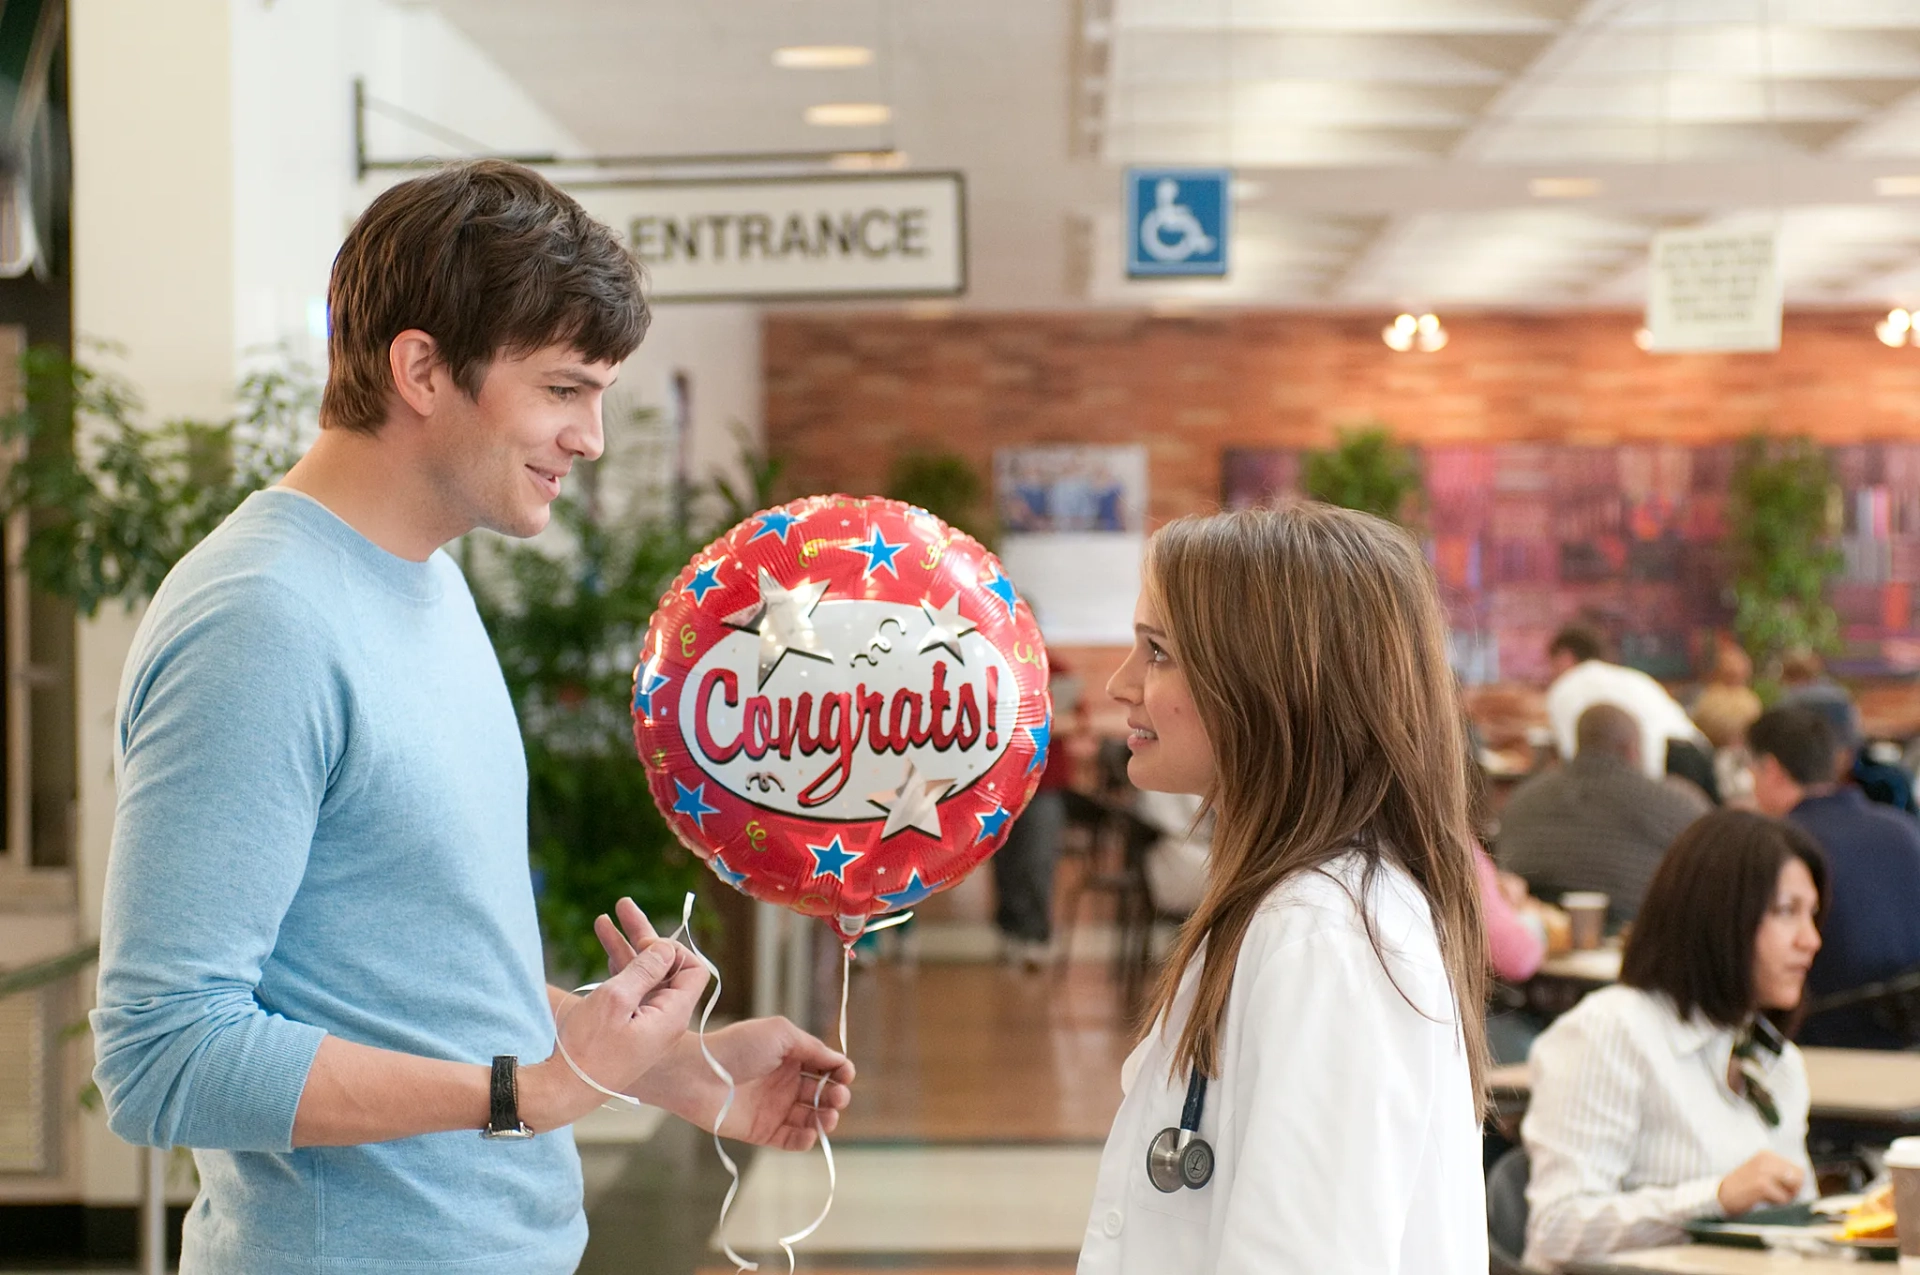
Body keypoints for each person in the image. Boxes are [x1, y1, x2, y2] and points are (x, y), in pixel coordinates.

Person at [88, 161, 854, 1275]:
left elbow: (407, 966)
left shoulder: (429, 577)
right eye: (563, 389)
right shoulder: (261, 623)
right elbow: (162, 1055)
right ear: (421, 370)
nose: (590, 438)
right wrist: (522, 1092)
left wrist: (671, 1068)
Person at [1078, 503, 1490, 1274]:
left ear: (1267, 684)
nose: (1121, 683)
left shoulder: (1325, 934)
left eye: (1157, 651)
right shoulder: (1292, 909)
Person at [1522, 810, 1827, 1272]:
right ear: (1719, 915)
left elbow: (1797, 1225)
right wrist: (1716, 1198)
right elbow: (1559, 1228)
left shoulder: (1776, 1060)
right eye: (1786, 912)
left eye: (1813, 915)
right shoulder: (1609, 1032)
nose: (1812, 940)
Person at [1749, 705, 1920, 1048]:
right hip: (1908, 1044)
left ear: (1770, 769)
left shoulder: (1774, 848)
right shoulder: (1904, 831)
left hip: (1818, 1043)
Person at [1496, 703, 1709, 926]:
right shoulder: (1675, 803)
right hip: (1636, 932)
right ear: (1632, 749)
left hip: (1537, 928)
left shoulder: (1524, 798)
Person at [1545, 624, 1711, 792]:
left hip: (1665, 764)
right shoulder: (1629, 677)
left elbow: (1577, 759)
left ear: (1565, 657)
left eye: (1551, 664)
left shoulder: (1566, 687)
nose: (1551, 673)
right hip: (1698, 756)